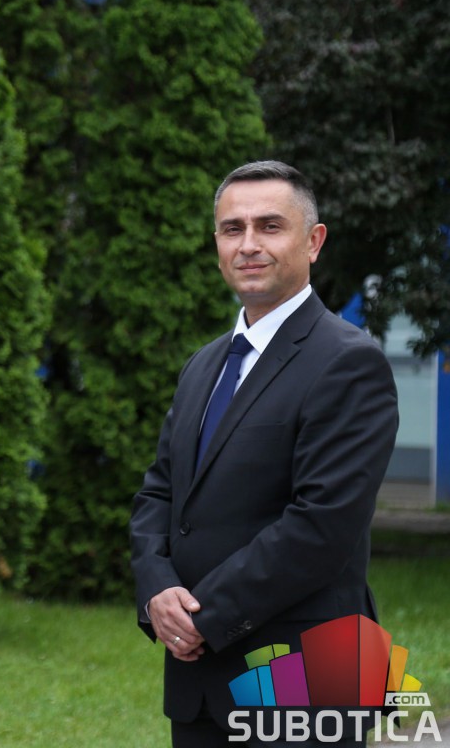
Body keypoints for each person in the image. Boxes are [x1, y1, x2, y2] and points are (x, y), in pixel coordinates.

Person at [129, 160, 399, 747]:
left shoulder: (349, 362)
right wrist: (156, 590)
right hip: (199, 685)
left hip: (306, 678)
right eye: (233, 229)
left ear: (314, 241)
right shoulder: (204, 364)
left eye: (270, 226)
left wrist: (202, 616)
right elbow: (160, 493)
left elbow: (321, 527)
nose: (248, 244)